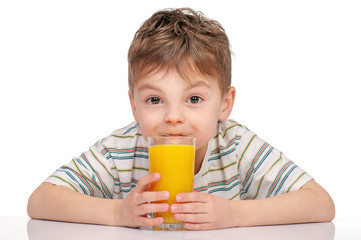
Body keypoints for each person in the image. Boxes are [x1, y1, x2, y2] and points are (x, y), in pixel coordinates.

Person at [27, 8, 335, 230]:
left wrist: (234, 214)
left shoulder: (237, 146)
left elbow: (320, 204)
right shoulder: (120, 150)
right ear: (134, 107)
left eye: (194, 99)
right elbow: (41, 200)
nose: (173, 117)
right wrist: (118, 213)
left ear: (224, 105)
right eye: (155, 100)